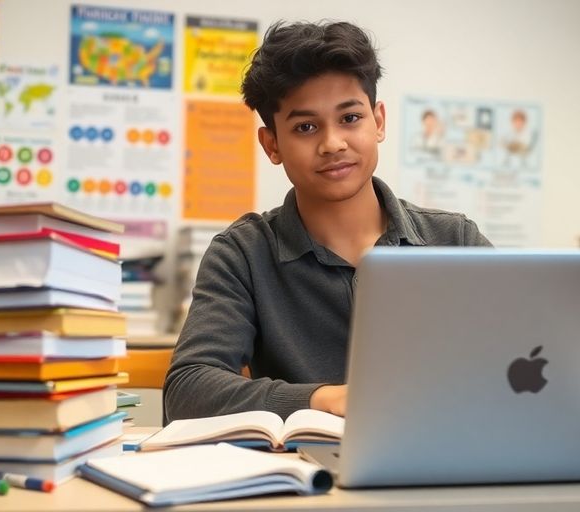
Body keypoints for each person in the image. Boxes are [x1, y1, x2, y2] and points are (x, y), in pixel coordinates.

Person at [164, 21, 492, 423]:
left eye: (350, 118)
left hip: (446, 460)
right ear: (272, 145)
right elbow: (188, 391)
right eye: (305, 127)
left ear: (379, 121)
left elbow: (529, 353)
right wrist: (324, 400)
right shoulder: (243, 253)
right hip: (307, 476)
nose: (333, 143)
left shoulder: (455, 240)